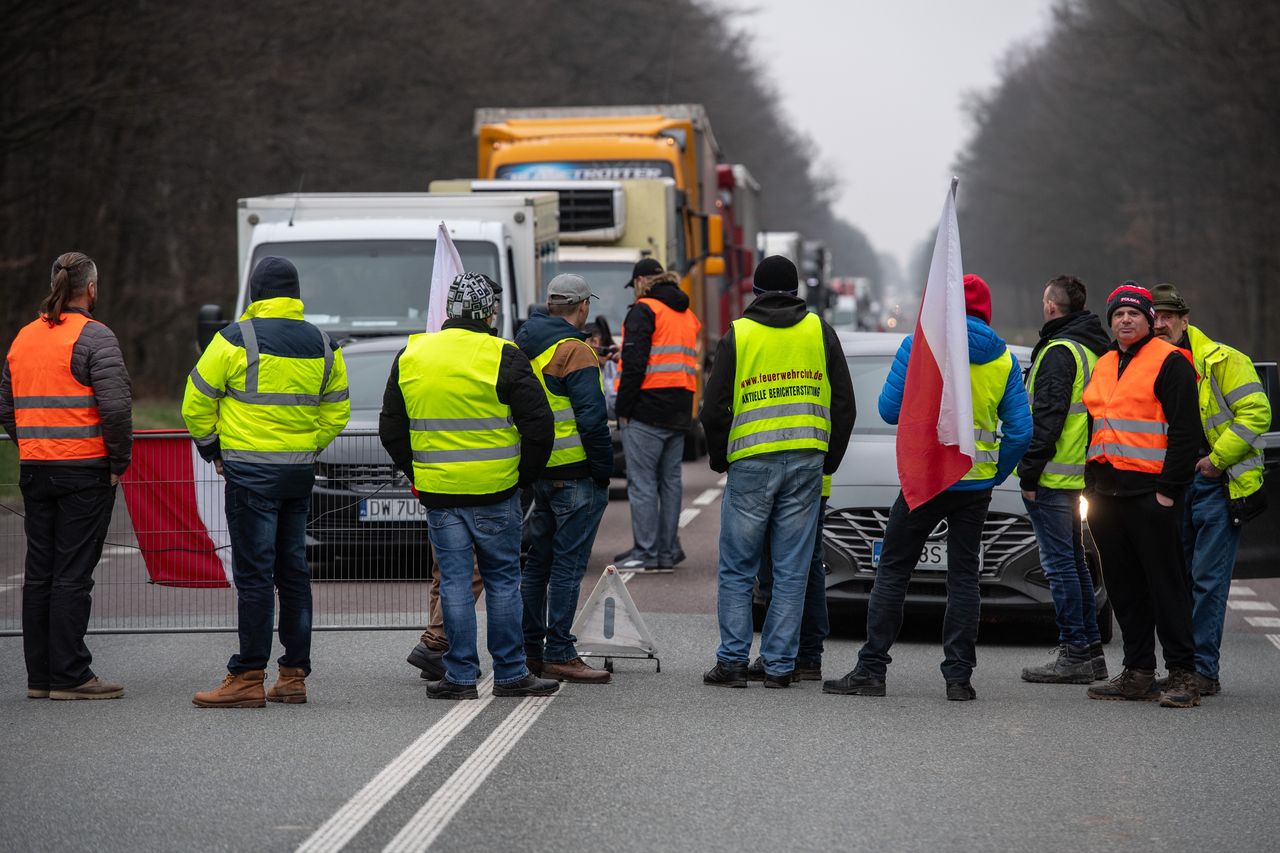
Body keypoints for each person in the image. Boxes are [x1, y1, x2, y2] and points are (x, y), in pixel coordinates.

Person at [825, 274, 1032, 701]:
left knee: (894, 572)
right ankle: (958, 678)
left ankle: (872, 670)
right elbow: (1021, 432)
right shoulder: (1005, 362)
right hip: (973, 486)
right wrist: (994, 473)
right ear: (986, 311)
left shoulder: (918, 348)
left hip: (924, 481)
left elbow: (886, 411)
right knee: (964, 579)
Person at [380, 272, 559, 699]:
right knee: (501, 581)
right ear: (489, 312)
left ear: (450, 310)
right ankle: (512, 673)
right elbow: (540, 425)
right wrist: (523, 477)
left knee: (456, 584)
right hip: (496, 490)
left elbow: (391, 427)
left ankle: (460, 676)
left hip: (441, 493)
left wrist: (417, 471)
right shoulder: (504, 355)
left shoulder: (413, 353)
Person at [184, 257, 350, 708]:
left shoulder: (233, 339)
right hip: (297, 476)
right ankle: (293, 676)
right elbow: (338, 411)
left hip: (250, 477)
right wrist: (304, 448)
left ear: (255, 293)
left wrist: (214, 451)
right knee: (293, 574)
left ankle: (247, 676)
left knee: (255, 576)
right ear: (295, 294)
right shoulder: (323, 343)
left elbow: (194, 404)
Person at [700, 255, 856, 687]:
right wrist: (830, 459)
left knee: (737, 567)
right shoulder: (819, 331)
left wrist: (720, 458)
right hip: (806, 460)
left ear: (756, 290)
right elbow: (844, 403)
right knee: (791, 567)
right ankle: (780, 665)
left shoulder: (740, 333)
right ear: (795, 291)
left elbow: (713, 408)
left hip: (751, 462)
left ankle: (732, 662)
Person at [0, 252, 132, 700]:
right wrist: (118, 463)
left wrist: (33, 445)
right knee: (73, 574)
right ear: (90, 289)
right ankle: (72, 675)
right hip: (85, 469)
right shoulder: (96, 337)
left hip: (36, 469)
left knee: (40, 572)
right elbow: (115, 407)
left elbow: (6, 405)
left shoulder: (24, 338)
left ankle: (40, 677)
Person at [1081, 283, 1202, 708]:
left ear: (1151, 321)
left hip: (1152, 496)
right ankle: (1138, 671)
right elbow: (1094, 427)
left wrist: (1168, 492)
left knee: (1166, 585)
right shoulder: (1105, 363)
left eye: (1134, 314)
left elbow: (1187, 433)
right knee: (1124, 587)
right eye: (1117, 315)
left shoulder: (1170, 362)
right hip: (1107, 496)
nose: (1125, 320)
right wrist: (1090, 486)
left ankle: (1184, 674)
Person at [1151, 282, 1270, 696]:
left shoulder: (1224, 360)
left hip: (1218, 484)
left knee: (1206, 579)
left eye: (1168, 316)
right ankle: (1183, 668)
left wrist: (1216, 461)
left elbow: (1257, 413)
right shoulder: (1150, 364)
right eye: (1156, 317)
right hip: (1174, 484)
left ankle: (1203, 671)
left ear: (1185, 320)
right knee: (1178, 579)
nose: (1161, 323)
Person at [515, 273, 613, 683]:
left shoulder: (521, 345)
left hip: (539, 470)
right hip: (575, 475)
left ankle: (529, 651)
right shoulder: (576, 351)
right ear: (582, 306)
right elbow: (592, 419)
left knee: (537, 564)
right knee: (568, 568)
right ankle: (559, 651)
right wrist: (604, 470)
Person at [1018, 275, 1112, 684]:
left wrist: (1030, 470)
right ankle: (1090, 650)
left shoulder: (1059, 351)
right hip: (1079, 473)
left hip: (1055, 475)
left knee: (1060, 566)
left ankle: (1075, 651)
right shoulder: (1091, 347)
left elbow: (1048, 418)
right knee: (1073, 563)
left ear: (1052, 307)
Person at [615, 262, 699, 573]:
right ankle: (666, 550)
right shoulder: (686, 313)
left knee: (642, 484)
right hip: (679, 409)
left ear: (640, 281)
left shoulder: (644, 309)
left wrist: (623, 408)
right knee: (670, 482)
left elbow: (636, 366)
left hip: (646, 410)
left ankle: (645, 551)